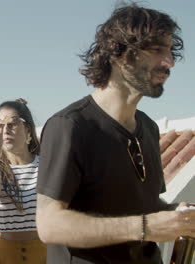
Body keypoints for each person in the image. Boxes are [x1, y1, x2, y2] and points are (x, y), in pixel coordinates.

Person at [35, 4, 195, 264]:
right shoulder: (70, 126)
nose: (170, 62)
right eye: (157, 50)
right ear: (120, 54)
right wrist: (145, 227)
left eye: (169, 51)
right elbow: (49, 224)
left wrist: (177, 215)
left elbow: (140, 206)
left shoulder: (148, 128)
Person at [0, 98, 46, 264]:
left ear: (28, 129)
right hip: (3, 254)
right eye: (0, 124)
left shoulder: (45, 165)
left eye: (13, 123)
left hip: (43, 253)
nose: (6, 130)